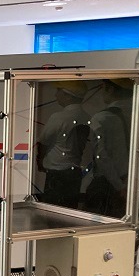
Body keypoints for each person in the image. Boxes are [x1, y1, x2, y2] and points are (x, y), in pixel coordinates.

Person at [37, 80, 90, 208]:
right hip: (74, 174)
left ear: (68, 95)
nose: (56, 95)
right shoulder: (86, 117)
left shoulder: (58, 117)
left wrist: (39, 161)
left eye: (59, 90)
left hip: (57, 175)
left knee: (52, 211)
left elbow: (43, 142)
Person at [84, 79, 132, 217]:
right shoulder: (136, 115)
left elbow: (101, 157)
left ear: (110, 89)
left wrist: (119, 187)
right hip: (130, 181)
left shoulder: (101, 118)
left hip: (107, 186)